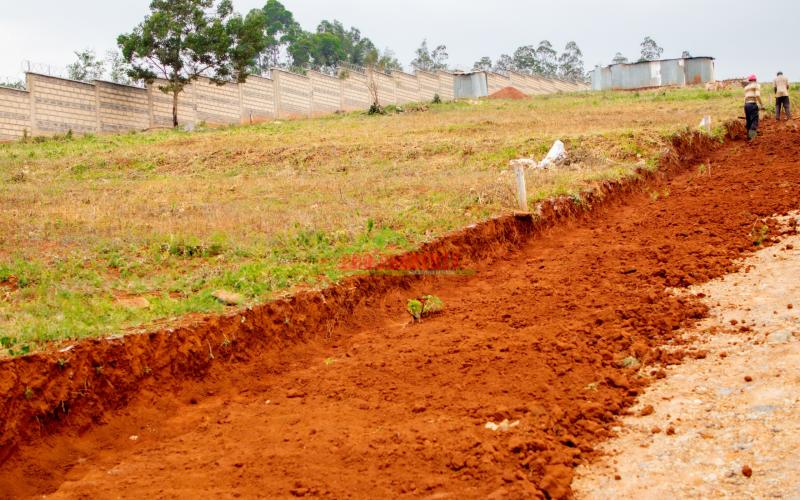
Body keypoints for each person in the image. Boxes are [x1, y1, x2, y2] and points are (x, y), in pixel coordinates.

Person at [743, 74, 763, 140]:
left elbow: (745, 98)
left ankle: (748, 137)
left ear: (749, 80)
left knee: (749, 121)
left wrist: (745, 107)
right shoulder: (756, 85)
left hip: (746, 105)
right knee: (755, 121)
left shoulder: (746, 87)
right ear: (755, 80)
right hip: (752, 104)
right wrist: (761, 104)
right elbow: (757, 95)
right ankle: (752, 137)